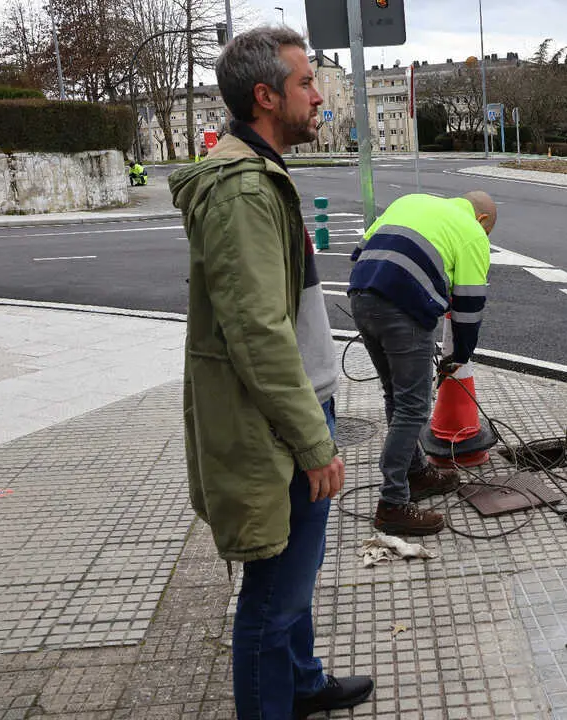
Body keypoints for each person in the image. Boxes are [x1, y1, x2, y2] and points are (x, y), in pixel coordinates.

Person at [169, 26, 373, 719]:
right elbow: (257, 332)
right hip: (277, 423)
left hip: (294, 408)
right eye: (306, 83)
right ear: (266, 96)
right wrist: (312, 440)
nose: (319, 97)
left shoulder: (260, 173)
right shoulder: (243, 191)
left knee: (294, 572)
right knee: (273, 594)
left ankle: (303, 683)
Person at [348, 191, 496, 536]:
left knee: (396, 396)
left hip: (361, 296)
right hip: (404, 307)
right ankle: (392, 504)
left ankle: (415, 473)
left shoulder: (410, 202)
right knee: (414, 407)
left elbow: (359, 251)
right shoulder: (472, 232)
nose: (484, 238)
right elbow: (469, 306)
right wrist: (459, 357)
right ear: (482, 220)